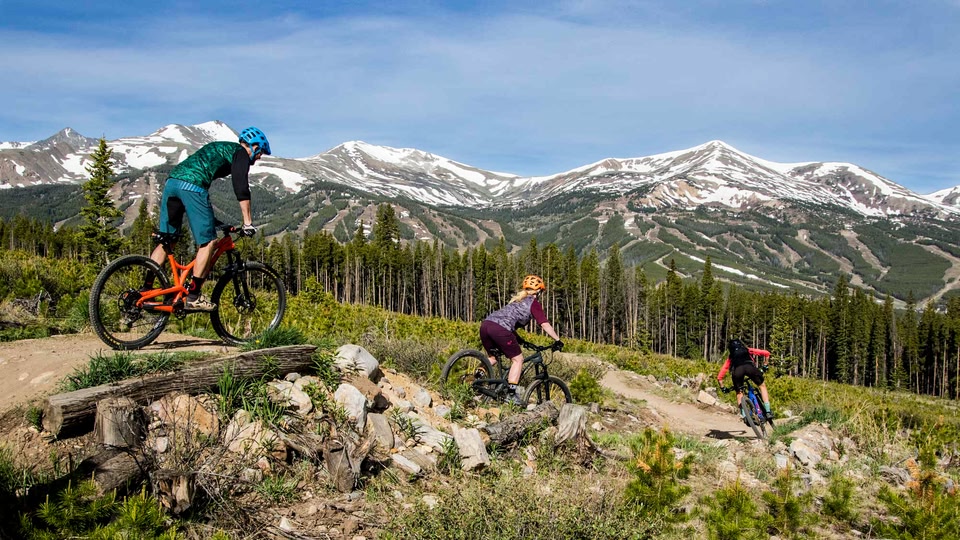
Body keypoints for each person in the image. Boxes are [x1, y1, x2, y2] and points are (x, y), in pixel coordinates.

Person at [148, 127, 270, 311]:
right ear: (252, 146)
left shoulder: (220, 147)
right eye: (260, 152)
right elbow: (241, 187)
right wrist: (247, 223)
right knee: (208, 242)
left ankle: (146, 290)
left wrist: (215, 222)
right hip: (193, 186)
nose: (259, 157)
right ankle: (194, 296)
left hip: (172, 183)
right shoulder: (240, 153)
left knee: (168, 240)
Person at [479, 274, 563, 404]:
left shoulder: (517, 300)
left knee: (492, 357)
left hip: (486, 325)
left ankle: (476, 378)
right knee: (518, 360)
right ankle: (511, 394)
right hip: (500, 329)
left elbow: (506, 324)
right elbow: (544, 324)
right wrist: (557, 340)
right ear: (539, 291)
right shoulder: (533, 303)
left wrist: (521, 341)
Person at [717, 338, 772, 420]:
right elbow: (767, 353)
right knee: (762, 386)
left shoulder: (731, 357)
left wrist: (723, 388)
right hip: (750, 367)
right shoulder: (748, 350)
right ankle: (768, 411)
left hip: (737, 371)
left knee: (739, 392)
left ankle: (745, 416)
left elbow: (720, 376)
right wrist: (765, 365)